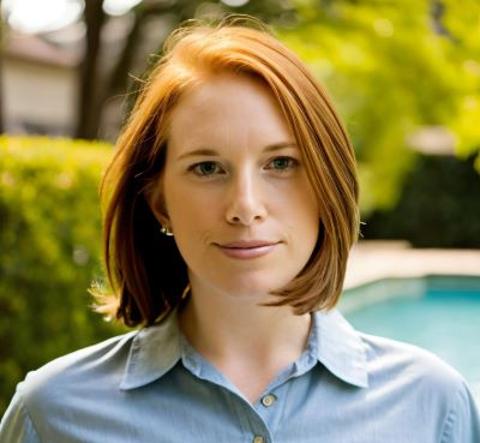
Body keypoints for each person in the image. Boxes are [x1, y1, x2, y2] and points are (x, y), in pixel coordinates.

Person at [1, 14, 479, 443]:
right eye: (207, 168)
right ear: (159, 203)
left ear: (327, 185)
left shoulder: (433, 406)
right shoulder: (54, 414)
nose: (245, 207)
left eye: (280, 163)